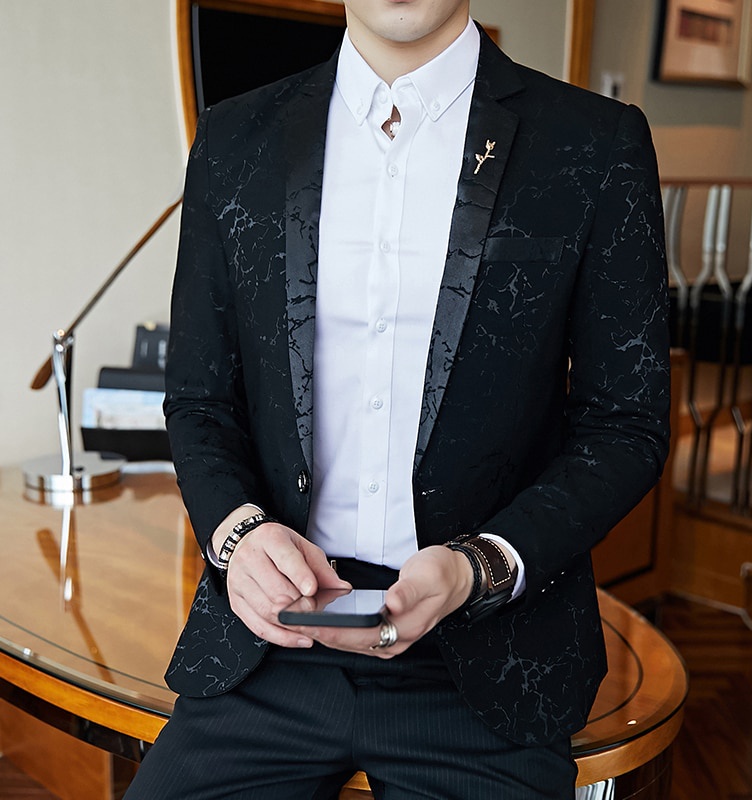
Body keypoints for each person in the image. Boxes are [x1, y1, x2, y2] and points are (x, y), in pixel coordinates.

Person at [124, 1, 670, 797]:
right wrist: (237, 537)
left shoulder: (596, 142)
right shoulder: (234, 137)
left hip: (486, 659)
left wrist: (480, 567)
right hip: (273, 645)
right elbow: (199, 399)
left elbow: (626, 424)